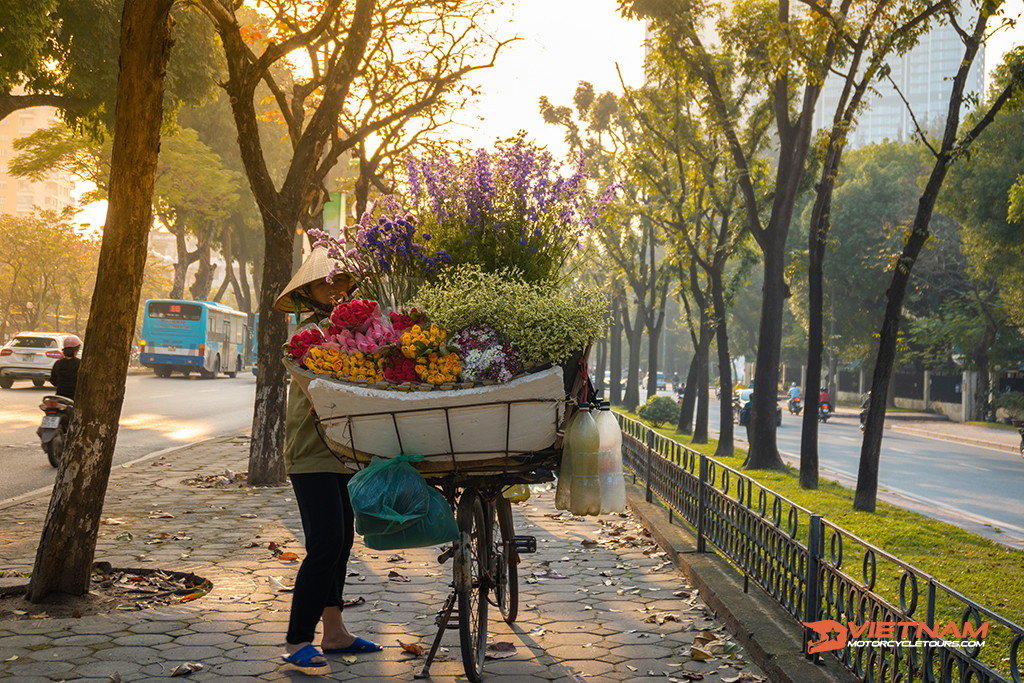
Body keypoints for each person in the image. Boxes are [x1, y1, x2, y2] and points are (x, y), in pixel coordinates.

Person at [275, 248, 381, 677]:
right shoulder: (304, 338)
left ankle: (334, 632)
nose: (336, 290)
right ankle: (297, 639)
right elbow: (319, 391)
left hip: (345, 452)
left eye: (342, 283)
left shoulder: (363, 332)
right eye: (326, 284)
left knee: (342, 543)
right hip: (311, 452)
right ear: (309, 292)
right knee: (324, 544)